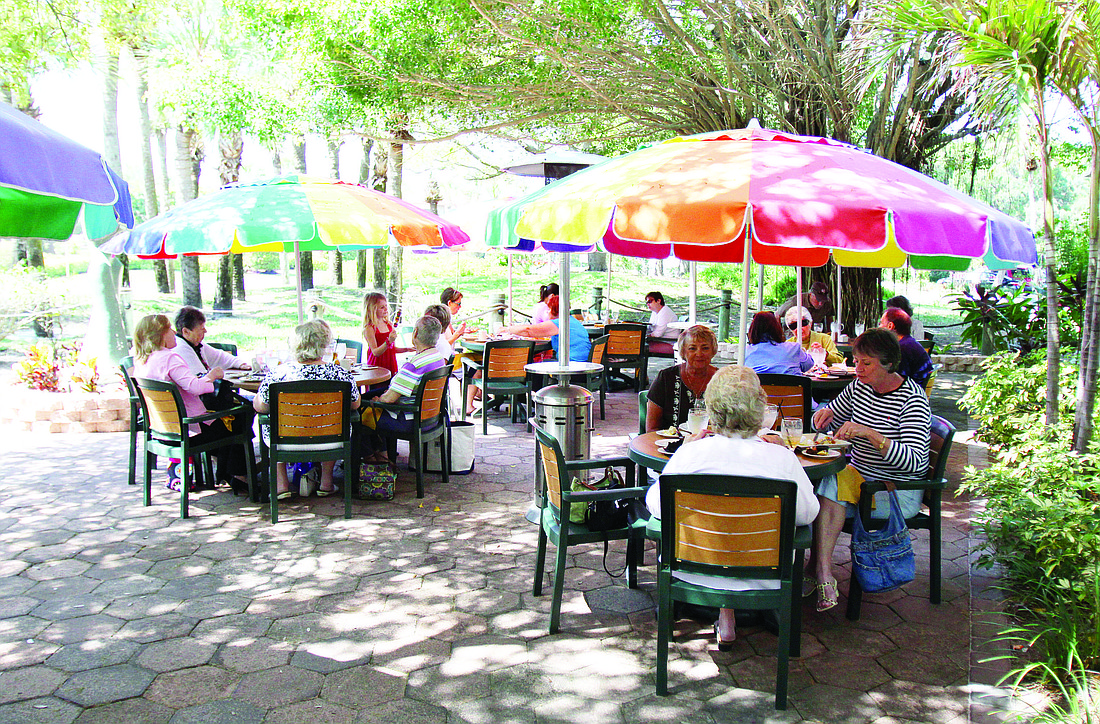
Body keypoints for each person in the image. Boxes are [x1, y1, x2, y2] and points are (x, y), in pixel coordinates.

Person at [646, 365, 820, 648]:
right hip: (765, 577)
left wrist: (684, 450)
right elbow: (808, 513)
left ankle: (721, 618)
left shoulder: (691, 453)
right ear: (760, 409)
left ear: (711, 409)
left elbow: (656, 505)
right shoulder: (780, 458)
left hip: (694, 572)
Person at [807, 328, 931, 613]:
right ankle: (820, 570)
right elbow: (833, 415)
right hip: (860, 480)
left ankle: (821, 571)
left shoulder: (912, 399)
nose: (857, 369)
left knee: (826, 488)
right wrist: (822, 415)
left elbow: (913, 462)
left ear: (888, 364)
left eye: (866, 363)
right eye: (856, 361)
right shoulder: (860, 387)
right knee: (817, 487)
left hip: (896, 490)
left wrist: (871, 434)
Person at [132, 314, 250, 493]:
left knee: (230, 419)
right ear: (160, 335)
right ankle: (238, 476)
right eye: (169, 329)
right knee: (239, 418)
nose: (174, 332)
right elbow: (194, 387)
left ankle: (227, 473)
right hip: (189, 432)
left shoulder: (142, 360)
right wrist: (212, 376)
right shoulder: (169, 358)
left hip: (161, 432)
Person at [254, 319, 361, 500]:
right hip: (330, 441)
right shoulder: (340, 373)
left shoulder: (278, 374)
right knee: (334, 421)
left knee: (270, 423)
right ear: (324, 345)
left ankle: (282, 485)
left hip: (285, 441)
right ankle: (326, 483)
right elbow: (355, 404)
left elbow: (261, 406)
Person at [362, 316, 446, 462]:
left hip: (408, 420)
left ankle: (370, 461)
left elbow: (388, 399)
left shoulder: (414, 365)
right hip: (431, 418)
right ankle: (383, 455)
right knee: (368, 399)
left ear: (415, 333)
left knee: (360, 413)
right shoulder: (437, 357)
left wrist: (377, 401)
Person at [645, 325, 719, 432]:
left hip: (711, 445)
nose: (699, 354)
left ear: (713, 351)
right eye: (692, 348)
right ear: (683, 351)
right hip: (669, 445)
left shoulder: (722, 380)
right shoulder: (666, 378)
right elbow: (652, 428)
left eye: (705, 348)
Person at [172, 306, 251, 376]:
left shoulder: (195, 344)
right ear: (186, 332)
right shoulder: (181, 348)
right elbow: (201, 379)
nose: (205, 331)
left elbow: (219, 357)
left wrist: (240, 364)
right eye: (201, 328)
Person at [744, 311, 814, 375]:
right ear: (777, 328)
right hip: (791, 388)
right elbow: (809, 364)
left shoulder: (745, 352)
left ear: (752, 330)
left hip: (759, 388)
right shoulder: (793, 348)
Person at [880, 308, 933, 389]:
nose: (879, 327)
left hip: (908, 393)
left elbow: (894, 379)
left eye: (881, 323)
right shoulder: (909, 342)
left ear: (890, 326)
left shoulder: (902, 349)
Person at [362, 291, 411, 378]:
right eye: (382, 307)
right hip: (377, 366)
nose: (385, 309)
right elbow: (375, 352)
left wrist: (407, 349)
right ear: (372, 309)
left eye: (386, 306)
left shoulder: (389, 324)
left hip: (390, 363)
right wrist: (388, 341)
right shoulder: (370, 328)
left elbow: (391, 349)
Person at [645, 291, 677, 355]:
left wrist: (644, 336)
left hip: (670, 343)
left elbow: (658, 334)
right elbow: (650, 328)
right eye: (647, 302)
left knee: (639, 346)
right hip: (660, 341)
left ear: (658, 301)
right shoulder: (655, 312)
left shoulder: (665, 312)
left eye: (650, 302)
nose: (648, 304)